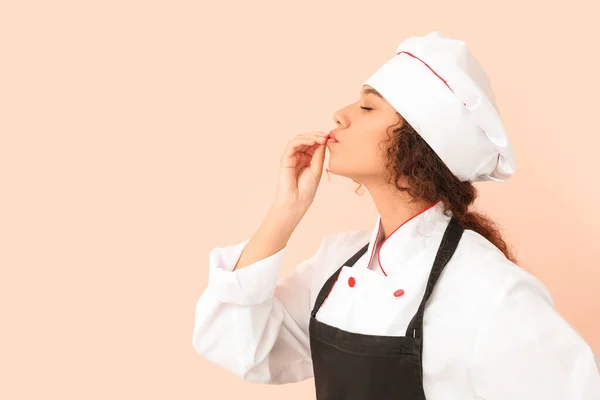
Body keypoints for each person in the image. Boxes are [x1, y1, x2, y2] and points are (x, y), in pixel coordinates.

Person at [192, 31, 600, 399]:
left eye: (368, 107)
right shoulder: (337, 264)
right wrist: (286, 211)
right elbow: (239, 345)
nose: (340, 114)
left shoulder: (490, 291)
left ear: (419, 144)